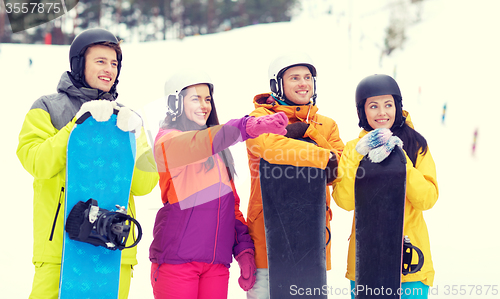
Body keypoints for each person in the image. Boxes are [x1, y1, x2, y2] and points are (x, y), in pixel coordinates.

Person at [16, 28, 159, 299]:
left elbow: (143, 184)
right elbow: (37, 162)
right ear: (79, 63)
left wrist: (137, 139)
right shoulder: (47, 107)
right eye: (100, 61)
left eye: (114, 63)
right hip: (60, 249)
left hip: (114, 248)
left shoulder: (125, 117)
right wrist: (77, 125)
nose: (109, 69)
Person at [150, 68, 288, 299]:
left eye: (207, 99)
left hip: (215, 265)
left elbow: (231, 207)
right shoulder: (168, 141)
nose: (205, 105)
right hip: (177, 262)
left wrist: (243, 249)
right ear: (175, 102)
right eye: (195, 98)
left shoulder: (218, 153)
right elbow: (197, 143)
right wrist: (245, 126)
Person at [245, 52, 345, 299]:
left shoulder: (326, 125)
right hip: (267, 240)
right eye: (294, 78)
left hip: (311, 239)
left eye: (308, 77)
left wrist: (311, 132)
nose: (303, 83)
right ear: (277, 84)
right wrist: (321, 155)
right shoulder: (259, 119)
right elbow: (268, 147)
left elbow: (339, 169)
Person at [332, 74, 439, 298]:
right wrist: (357, 157)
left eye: (388, 105)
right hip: (366, 262)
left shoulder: (416, 144)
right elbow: (344, 201)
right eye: (373, 106)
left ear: (397, 107)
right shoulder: (353, 149)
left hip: (409, 263)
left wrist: (401, 160)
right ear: (363, 112)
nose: (382, 112)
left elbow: (427, 199)